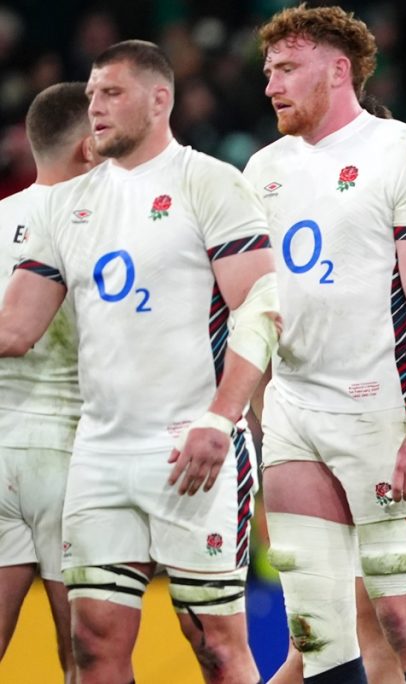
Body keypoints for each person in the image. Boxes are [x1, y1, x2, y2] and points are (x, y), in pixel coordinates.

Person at [0, 40, 279, 684]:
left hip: (192, 444)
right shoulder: (65, 203)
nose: (94, 106)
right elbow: (15, 326)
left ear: (161, 100)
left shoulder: (209, 182)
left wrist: (222, 417)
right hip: (98, 455)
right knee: (94, 648)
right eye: (92, 93)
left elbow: (261, 308)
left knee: (215, 645)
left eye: (112, 93)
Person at [244, 5, 406, 683]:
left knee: (403, 622)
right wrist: (244, 421)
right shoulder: (261, 169)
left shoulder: (405, 154)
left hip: (378, 413)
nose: (271, 85)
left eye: (286, 68)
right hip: (291, 415)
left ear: (338, 70)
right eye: (267, 71)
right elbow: (253, 310)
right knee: (317, 635)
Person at [0, 81, 97, 683]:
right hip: (74, 454)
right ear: (90, 146)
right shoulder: (99, 223)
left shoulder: (1, 216)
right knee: (88, 661)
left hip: (0, 446)